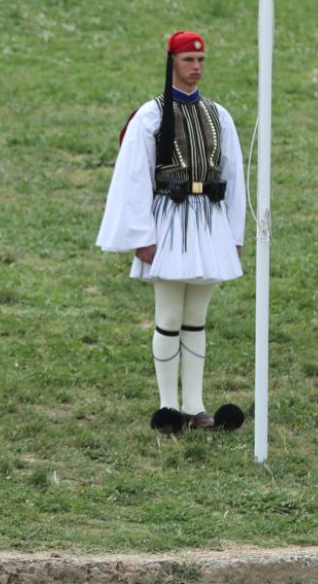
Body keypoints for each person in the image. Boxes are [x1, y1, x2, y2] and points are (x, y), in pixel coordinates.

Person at [97, 31, 246, 433]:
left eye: (200, 60)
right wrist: (142, 236)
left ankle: (195, 407)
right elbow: (134, 178)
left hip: (208, 225)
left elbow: (234, 176)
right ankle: (168, 407)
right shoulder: (150, 115)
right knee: (169, 316)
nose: (196, 68)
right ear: (172, 63)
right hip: (169, 222)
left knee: (196, 318)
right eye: (187, 60)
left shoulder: (219, 115)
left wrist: (234, 235)